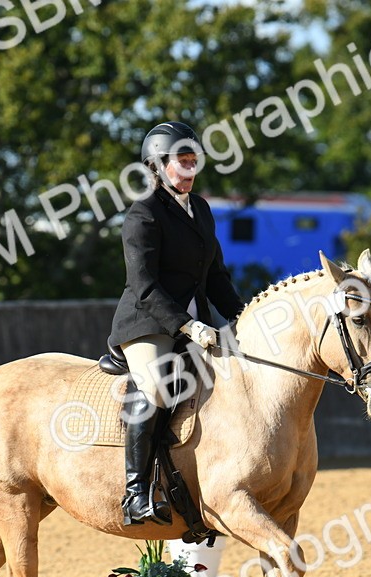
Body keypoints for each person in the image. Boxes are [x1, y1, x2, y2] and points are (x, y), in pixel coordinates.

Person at [108, 121, 245, 526]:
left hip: (196, 321)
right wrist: (187, 326)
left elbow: (216, 275)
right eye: (181, 162)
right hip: (148, 324)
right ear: (157, 165)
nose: (189, 170)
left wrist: (242, 316)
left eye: (193, 161)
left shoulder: (200, 209)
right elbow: (144, 285)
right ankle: (135, 493)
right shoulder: (143, 214)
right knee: (155, 385)